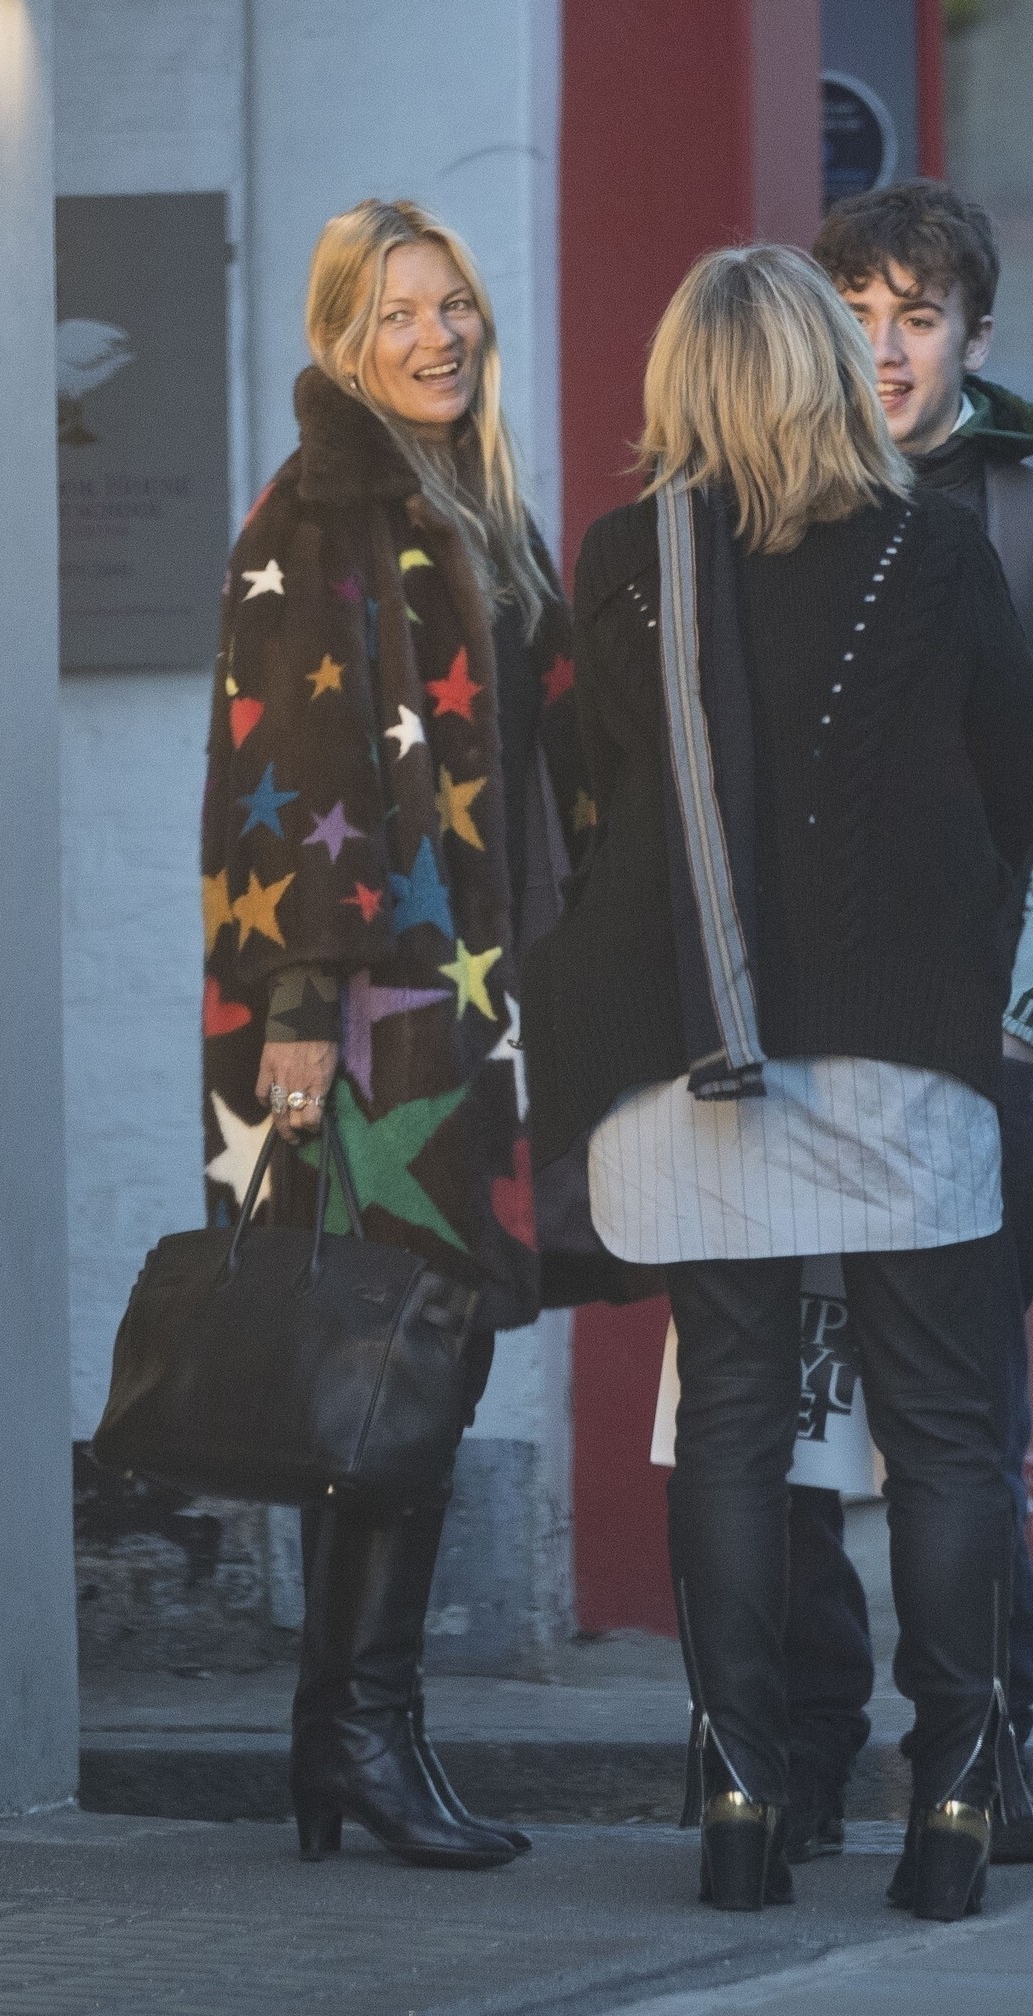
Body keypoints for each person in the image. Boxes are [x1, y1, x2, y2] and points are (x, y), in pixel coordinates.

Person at [524, 244, 1033, 1917]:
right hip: (907, 1048)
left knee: (736, 1427)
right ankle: (954, 1803)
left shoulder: (624, 561)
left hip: (698, 1054)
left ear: (681, 380)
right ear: (832, 367)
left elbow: (591, 792)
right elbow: (1024, 777)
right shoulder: (937, 548)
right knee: (946, 1438)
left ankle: (744, 1800)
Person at [201, 197, 596, 1868]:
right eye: (396, 314)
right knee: (394, 1365)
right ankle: (362, 1739)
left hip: (473, 1000)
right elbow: (292, 765)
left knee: (418, 1366)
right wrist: (298, 1013)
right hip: (373, 1015)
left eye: (454, 306)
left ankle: (350, 1739)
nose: (437, 337)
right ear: (339, 340)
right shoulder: (325, 506)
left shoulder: (473, 498)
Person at [782, 179, 1033, 1865]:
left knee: (960, 1431)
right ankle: (805, 1750)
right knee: (792, 1429)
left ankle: (985, 1760)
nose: (885, 348)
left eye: (917, 317)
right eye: (856, 312)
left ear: (976, 337)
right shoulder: (768, 507)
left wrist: (1011, 1027)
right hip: (789, 1054)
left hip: (967, 1057)